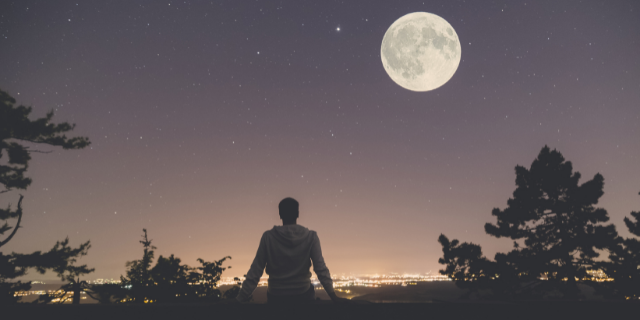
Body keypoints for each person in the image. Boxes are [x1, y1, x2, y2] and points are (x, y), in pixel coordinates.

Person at [235, 197, 348, 303]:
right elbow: (320, 268)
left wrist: (240, 299)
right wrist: (333, 296)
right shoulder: (310, 237)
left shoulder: (268, 237)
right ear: (298, 214)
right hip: (303, 295)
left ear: (280, 214)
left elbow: (256, 270)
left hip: (276, 297)